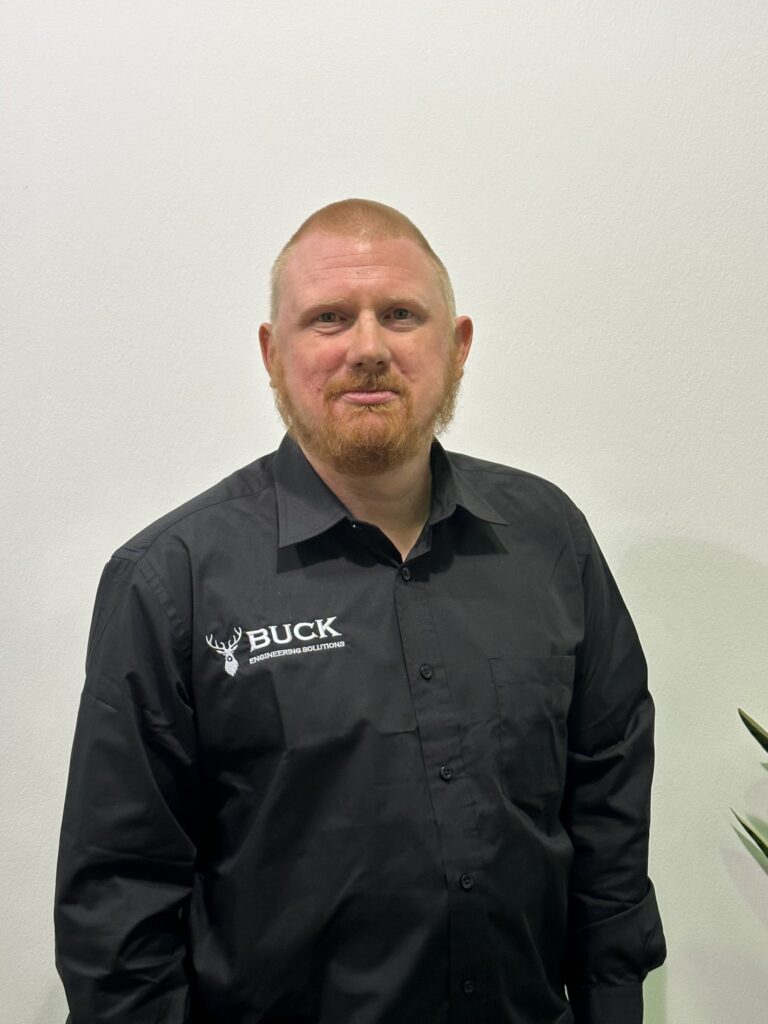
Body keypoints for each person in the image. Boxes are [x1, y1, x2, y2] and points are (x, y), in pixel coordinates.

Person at [54, 198, 666, 1024]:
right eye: (329, 318)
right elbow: (118, 905)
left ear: (458, 347)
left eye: (402, 315)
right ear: (273, 355)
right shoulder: (171, 581)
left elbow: (608, 815)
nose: (368, 347)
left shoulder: (549, 540)